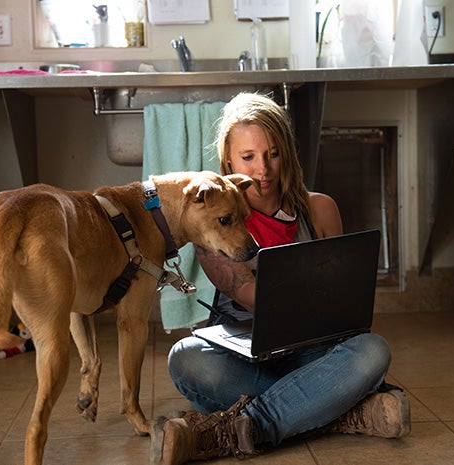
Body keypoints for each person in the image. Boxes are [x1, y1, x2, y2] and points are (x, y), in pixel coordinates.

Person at [150, 92, 410, 465]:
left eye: (273, 154)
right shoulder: (209, 220)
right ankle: (339, 410)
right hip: (245, 353)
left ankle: (244, 428)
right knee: (187, 360)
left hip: (311, 351)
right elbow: (251, 296)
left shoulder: (320, 209)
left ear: (286, 152)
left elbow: (342, 301)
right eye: (248, 157)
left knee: (372, 351)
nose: (263, 170)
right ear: (228, 159)